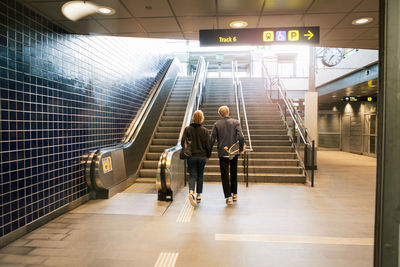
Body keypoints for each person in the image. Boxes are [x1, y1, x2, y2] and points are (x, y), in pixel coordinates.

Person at [210, 106, 245, 205]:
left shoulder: (217, 124)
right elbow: (241, 137)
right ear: (228, 112)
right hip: (233, 152)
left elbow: (212, 139)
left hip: (222, 152)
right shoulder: (236, 122)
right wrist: (241, 149)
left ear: (220, 114)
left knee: (224, 175)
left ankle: (228, 197)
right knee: (234, 173)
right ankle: (235, 194)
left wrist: (208, 151)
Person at [181, 110, 211, 207]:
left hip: (191, 156)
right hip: (202, 156)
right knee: (200, 175)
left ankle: (191, 192)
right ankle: (198, 195)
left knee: (192, 175)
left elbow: (182, 142)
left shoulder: (187, 129)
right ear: (202, 118)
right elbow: (208, 145)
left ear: (193, 118)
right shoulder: (205, 131)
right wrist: (208, 155)